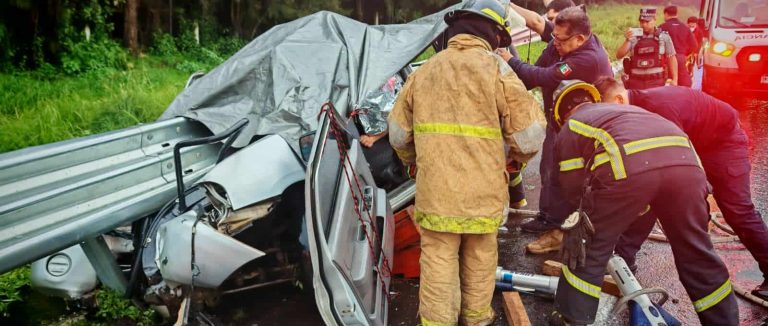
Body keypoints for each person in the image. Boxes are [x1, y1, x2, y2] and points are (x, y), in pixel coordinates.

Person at [388, 0, 547, 324]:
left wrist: (414, 162)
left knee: (437, 260)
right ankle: (476, 319)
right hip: (483, 193)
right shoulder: (497, 70)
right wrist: (513, 158)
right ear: (494, 35)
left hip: (436, 193)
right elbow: (530, 136)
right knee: (480, 257)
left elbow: (398, 134)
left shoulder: (425, 71)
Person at [550, 80, 738, 326]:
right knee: (698, 254)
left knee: (588, 248)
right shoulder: (630, 112)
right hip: (687, 166)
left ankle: (571, 319)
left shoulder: (572, 125)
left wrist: (587, 222)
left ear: (560, 117)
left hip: (628, 167)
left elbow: (573, 188)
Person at [594, 76, 768, 301]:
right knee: (654, 193)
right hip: (697, 140)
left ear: (619, 99)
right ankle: (623, 259)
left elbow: (680, 159)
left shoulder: (659, 108)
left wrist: (698, 199)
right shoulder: (636, 109)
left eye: (608, 112)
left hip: (724, 144)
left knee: (738, 212)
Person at [496, 7, 613, 235]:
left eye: (560, 39)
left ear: (579, 38)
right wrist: (507, 4)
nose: (555, 42)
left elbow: (544, 76)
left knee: (559, 169)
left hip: (583, 125)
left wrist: (511, 60)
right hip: (561, 118)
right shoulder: (564, 42)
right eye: (555, 37)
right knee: (549, 166)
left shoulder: (587, 58)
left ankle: (555, 220)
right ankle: (555, 215)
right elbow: (538, 29)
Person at [616, 7, 678, 89]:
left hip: (656, 83)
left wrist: (675, 79)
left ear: (654, 19)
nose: (644, 24)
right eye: (642, 22)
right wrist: (627, 40)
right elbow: (619, 55)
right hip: (636, 83)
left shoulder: (663, 37)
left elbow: (671, 57)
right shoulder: (634, 37)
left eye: (647, 21)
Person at [660, 5, 698, 87]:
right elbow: (694, 46)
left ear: (666, 14)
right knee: (685, 85)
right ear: (676, 14)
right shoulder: (685, 27)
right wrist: (684, 54)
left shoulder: (662, 27)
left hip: (666, 60)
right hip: (681, 58)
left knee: (665, 85)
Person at [508, 0, 576, 43]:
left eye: (554, 18)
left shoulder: (564, 33)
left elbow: (536, 22)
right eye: (550, 19)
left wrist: (507, 4)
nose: (552, 23)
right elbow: (550, 4)